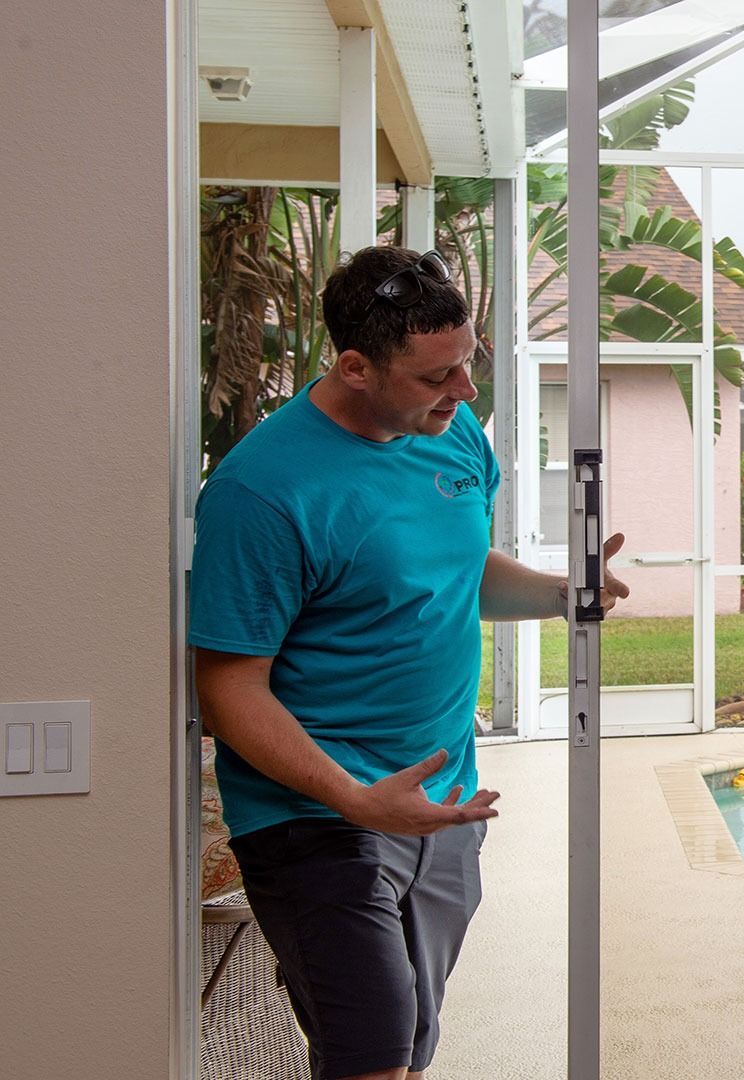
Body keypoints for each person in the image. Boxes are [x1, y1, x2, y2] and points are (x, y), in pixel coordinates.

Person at [190, 245, 629, 1080]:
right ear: (355, 366)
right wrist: (355, 798)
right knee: (375, 1053)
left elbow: (452, 574)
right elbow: (226, 685)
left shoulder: (452, 433)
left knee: (407, 1052)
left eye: (470, 364)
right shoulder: (264, 491)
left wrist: (562, 592)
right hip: (316, 813)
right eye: (438, 377)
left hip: (438, 802)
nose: (465, 393)